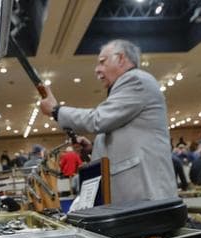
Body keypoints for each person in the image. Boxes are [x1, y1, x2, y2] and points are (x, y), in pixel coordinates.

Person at [39, 39, 178, 205]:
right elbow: (120, 134)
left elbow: (98, 120)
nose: (97, 70)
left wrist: (56, 111)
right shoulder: (128, 86)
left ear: (121, 58)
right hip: (137, 199)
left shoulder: (135, 80)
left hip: (146, 197)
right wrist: (92, 148)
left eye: (102, 62)